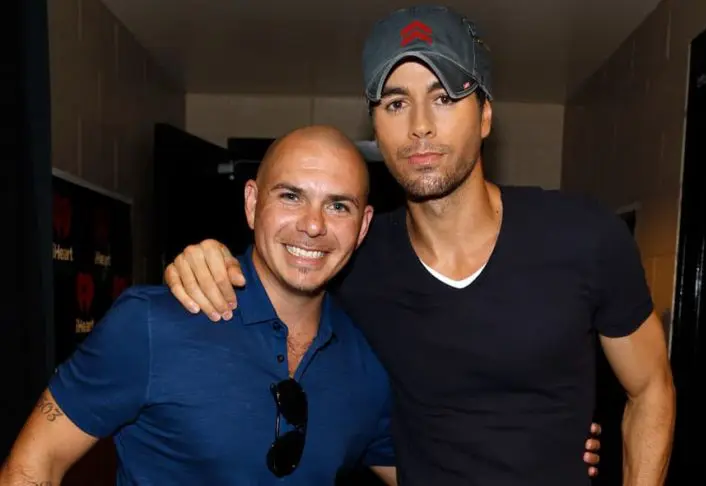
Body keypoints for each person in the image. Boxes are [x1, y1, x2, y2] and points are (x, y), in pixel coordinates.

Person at [164, 5, 676, 486]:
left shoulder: (582, 235)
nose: (420, 126)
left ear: (485, 115)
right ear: (376, 126)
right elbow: (274, 291)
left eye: (444, 97)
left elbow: (651, 388)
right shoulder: (352, 261)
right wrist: (205, 261)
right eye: (396, 103)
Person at [0, 126, 402, 485]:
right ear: (252, 203)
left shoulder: (369, 360)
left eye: (338, 206)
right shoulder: (151, 324)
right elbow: (32, 465)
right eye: (291, 196)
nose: (313, 225)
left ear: (363, 225)